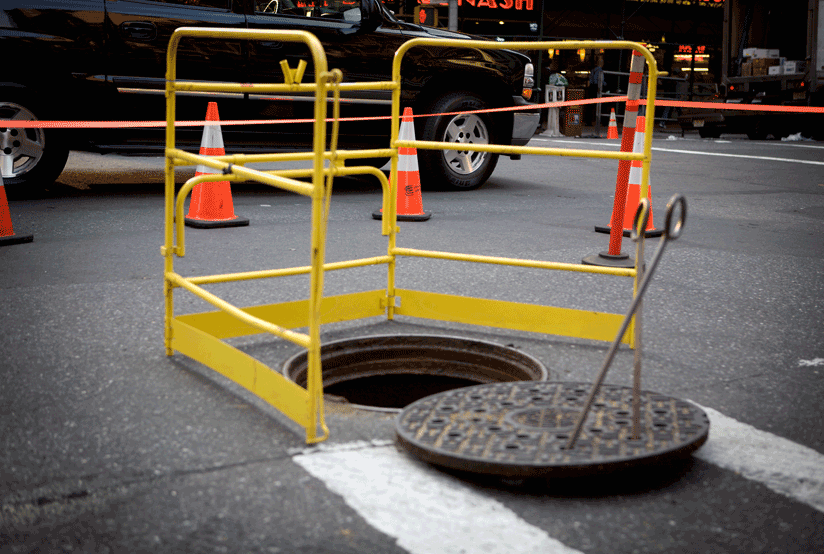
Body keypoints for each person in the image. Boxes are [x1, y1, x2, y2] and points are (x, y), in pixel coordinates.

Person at [587, 56, 604, 126]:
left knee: (591, 105)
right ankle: (597, 121)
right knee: (597, 106)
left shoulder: (593, 70)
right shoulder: (600, 70)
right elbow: (600, 80)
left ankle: (589, 121)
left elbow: (590, 80)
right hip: (597, 88)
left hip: (591, 88)